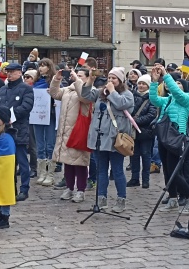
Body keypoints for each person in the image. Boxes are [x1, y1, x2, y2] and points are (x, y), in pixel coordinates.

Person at [81, 67, 134, 213]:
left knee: (117, 171)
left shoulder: (127, 95)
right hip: (99, 138)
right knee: (101, 170)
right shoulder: (100, 93)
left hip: (115, 139)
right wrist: (90, 80)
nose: (110, 81)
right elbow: (85, 94)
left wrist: (112, 91)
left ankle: (121, 199)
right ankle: (101, 198)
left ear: (121, 80)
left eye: (114, 78)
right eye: (109, 78)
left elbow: (121, 104)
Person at [149, 65, 189, 214]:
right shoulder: (168, 100)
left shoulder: (188, 99)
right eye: (172, 83)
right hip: (164, 137)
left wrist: (166, 75)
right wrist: (154, 82)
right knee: (167, 169)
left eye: (179, 83)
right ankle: (172, 198)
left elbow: (178, 93)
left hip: (177, 137)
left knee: (174, 172)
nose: (175, 86)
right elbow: (154, 99)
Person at [50, 69, 93, 202]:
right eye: (76, 75)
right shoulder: (68, 89)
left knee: (80, 163)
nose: (76, 77)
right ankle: (69, 187)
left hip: (79, 131)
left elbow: (84, 98)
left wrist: (78, 81)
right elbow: (54, 93)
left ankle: (81, 190)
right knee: (67, 162)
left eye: (80, 76)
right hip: (65, 130)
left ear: (86, 78)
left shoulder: (89, 90)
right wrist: (56, 79)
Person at [0, 63, 34, 201]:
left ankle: (24, 189)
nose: (10, 74)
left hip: (19, 129)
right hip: (4, 129)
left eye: (13, 72)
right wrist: (0, 116)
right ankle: (10, 187)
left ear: (19, 73)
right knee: (7, 161)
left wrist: (9, 116)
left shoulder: (26, 89)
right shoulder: (3, 89)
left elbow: (26, 107)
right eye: (8, 72)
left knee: (22, 161)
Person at [126, 74, 156, 189]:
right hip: (133, 131)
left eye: (144, 84)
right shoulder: (132, 96)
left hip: (146, 131)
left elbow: (151, 115)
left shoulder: (151, 98)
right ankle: (134, 178)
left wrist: (136, 120)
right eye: (140, 83)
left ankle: (145, 180)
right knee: (134, 155)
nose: (141, 86)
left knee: (146, 155)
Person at [34, 58, 59, 187]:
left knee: (50, 144)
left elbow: (60, 95)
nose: (41, 68)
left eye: (43, 66)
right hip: (37, 116)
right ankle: (42, 172)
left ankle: (50, 174)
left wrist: (55, 101)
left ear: (49, 67)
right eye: (40, 66)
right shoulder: (36, 81)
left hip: (50, 115)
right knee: (40, 145)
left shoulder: (54, 81)